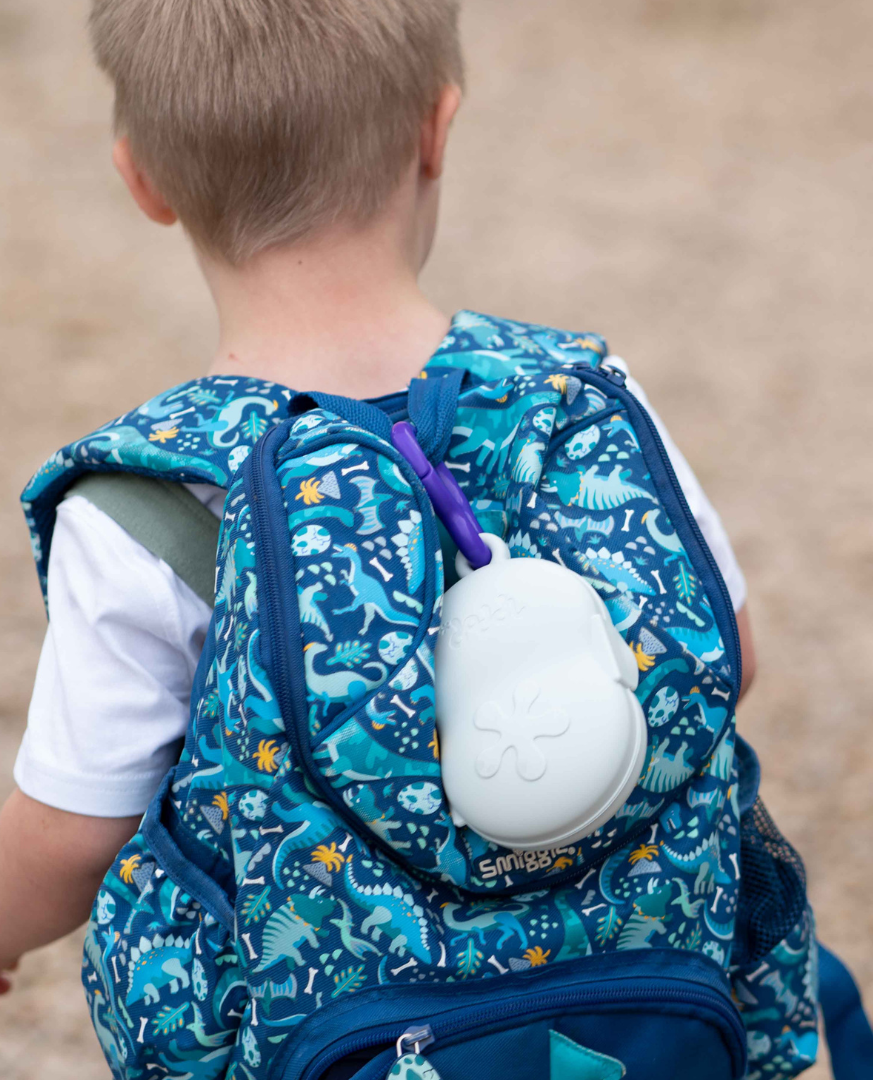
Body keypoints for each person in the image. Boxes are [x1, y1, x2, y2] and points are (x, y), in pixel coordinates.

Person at [0, 0, 755, 998]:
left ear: (141, 178)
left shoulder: (156, 507)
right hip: (640, 1017)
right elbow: (726, 652)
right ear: (437, 131)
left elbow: (71, 835)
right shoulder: (580, 400)